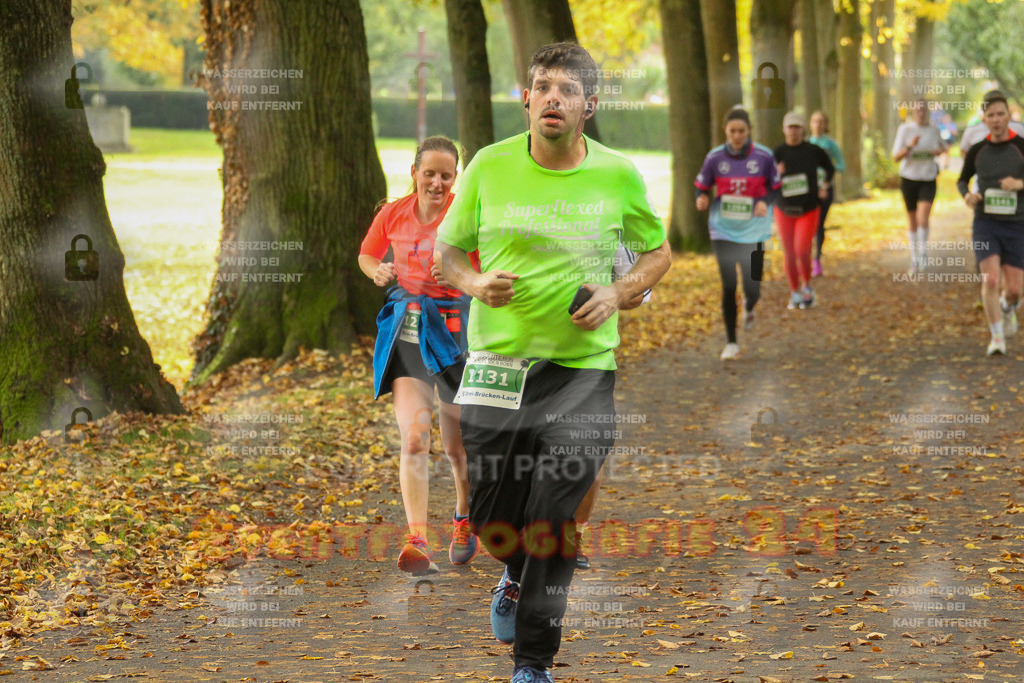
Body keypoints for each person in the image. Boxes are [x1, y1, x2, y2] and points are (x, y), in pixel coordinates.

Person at [434, 42, 670, 683]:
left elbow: (657, 253)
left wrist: (617, 293)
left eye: (567, 89)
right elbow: (446, 251)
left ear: (589, 105)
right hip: (498, 365)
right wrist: (475, 284)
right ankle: (514, 571)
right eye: (542, 86)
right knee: (490, 514)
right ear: (527, 99)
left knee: (556, 513)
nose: (553, 98)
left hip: (582, 372)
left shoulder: (618, 174)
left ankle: (533, 662)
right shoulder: (488, 166)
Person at [358, 136, 480, 575]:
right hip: (407, 332)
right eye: (429, 173)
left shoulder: (464, 218)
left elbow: (482, 277)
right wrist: (380, 272)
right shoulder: (392, 212)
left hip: (451, 334)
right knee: (413, 437)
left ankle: (464, 517)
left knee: (457, 447)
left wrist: (456, 272)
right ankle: (417, 539)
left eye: (446, 175)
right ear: (414, 172)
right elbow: (367, 255)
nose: (437, 182)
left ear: (455, 178)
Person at [694, 107, 782, 360]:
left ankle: (750, 304)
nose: (737, 136)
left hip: (755, 230)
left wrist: (765, 200)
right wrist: (700, 198)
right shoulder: (714, 158)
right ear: (726, 131)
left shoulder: (764, 156)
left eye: (741, 131)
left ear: (749, 131)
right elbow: (702, 186)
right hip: (723, 229)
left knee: (753, 285)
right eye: (732, 131)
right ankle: (731, 341)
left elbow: (776, 187)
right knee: (729, 284)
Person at [957, 90, 1024, 356]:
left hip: (1017, 224)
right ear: (984, 119)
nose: (996, 119)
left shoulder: (1020, 147)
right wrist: (968, 195)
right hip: (986, 222)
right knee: (991, 279)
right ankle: (997, 338)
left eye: (1000, 114)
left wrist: (1018, 184)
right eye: (991, 115)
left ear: (1009, 116)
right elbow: (962, 180)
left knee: (1015, 290)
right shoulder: (977, 149)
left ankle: (1008, 309)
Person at [773, 111, 835, 310]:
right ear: (783, 129)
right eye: (790, 127)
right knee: (789, 254)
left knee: (802, 250)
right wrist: (776, 174)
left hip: (808, 208)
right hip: (784, 209)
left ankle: (807, 286)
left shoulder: (813, 151)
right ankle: (794, 292)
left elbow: (830, 168)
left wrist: (824, 186)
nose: (793, 131)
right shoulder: (777, 154)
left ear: (803, 129)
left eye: (797, 127)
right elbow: (764, 182)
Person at [892, 100, 946, 274]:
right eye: (918, 110)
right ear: (913, 112)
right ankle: (914, 257)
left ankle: (923, 252)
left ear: (928, 112)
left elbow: (942, 147)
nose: (921, 113)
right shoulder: (905, 130)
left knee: (923, 216)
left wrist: (939, 151)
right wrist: (910, 146)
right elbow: (895, 157)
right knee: (913, 220)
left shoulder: (934, 130)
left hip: (928, 178)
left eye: (924, 110)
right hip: (909, 178)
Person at [808, 111, 846, 276]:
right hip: (809, 190)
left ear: (825, 125)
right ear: (810, 124)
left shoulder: (831, 144)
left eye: (821, 122)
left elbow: (841, 165)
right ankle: (806, 257)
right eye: (815, 121)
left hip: (826, 189)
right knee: (808, 224)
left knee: (819, 223)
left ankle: (816, 259)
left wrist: (827, 170)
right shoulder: (806, 143)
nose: (817, 125)